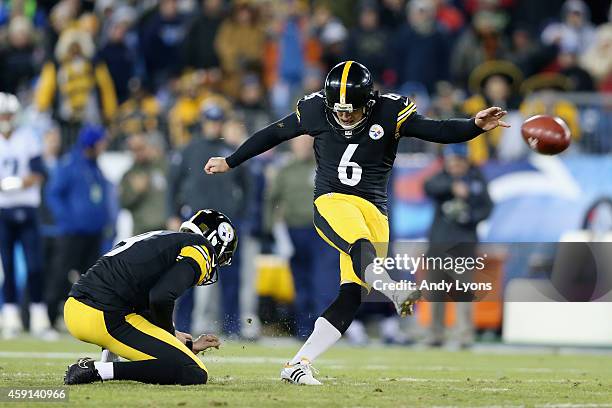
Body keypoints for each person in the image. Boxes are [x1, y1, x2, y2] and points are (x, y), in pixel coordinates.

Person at [205, 61, 509, 384]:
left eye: (352, 110)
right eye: (339, 110)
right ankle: (394, 290)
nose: (345, 116)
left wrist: (474, 126)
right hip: (332, 201)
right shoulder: (316, 110)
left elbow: (437, 130)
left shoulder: (390, 111)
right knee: (360, 248)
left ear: (369, 101)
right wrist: (231, 160)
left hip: (375, 210)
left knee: (351, 295)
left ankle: (298, 364)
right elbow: (274, 133)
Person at [63, 210, 237, 385]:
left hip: (77, 309)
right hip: (102, 315)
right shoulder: (201, 248)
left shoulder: (163, 239)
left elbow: (143, 296)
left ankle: (109, 356)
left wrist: (184, 344)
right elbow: (161, 297)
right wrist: (170, 335)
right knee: (194, 371)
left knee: (179, 358)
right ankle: (97, 370)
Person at [168, 103, 250, 336]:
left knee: (232, 277)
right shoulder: (189, 150)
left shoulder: (231, 150)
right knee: (188, 273)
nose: (213, 126)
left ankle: (232, 327)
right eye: (210, 121)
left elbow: (248, 187)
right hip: (197, 224)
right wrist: (172, 214)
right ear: (203, 123)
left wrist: (241, 216)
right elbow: (172, 185)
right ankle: (183, 326)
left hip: (225, 225)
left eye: (217, 121)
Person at [264, 135, 339, 339]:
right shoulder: (285, 170)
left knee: (324, 280)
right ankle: (304, 329)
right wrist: (273, 231)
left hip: (324, 231)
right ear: (292, 143)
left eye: (308, 140)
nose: (304, 144)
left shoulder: (326, 166)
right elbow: (271, 200)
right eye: (300, 140)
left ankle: (325, 330)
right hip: (295, 231)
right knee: (300, 281)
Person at [423, 144, 493, 348]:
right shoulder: (441, 178)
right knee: (435, 293)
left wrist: (469, 215)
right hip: (438, 244)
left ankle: (464, 336)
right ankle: (435, 335)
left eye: (459, 161)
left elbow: (487, 208)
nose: (455, 165)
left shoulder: (476, 180)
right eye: (452, 161)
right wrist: (451, 187)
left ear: (466, 161)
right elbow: (428, 187)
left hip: (464, 245)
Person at [45, 125, 113, 325]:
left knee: (93, 279)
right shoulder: (70, 164)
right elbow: (53, 194)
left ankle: (88, 321)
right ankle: (49, 318)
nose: (104, 146)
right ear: (91, 143)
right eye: (101, 142)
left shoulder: (95, 165)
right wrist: (67, 220)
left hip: (93, 233)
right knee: (60, 274)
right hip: (72, 233)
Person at [0, 93, 51, 339]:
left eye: (9, 114)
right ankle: (10, 317)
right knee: (7, 266)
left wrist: (17, 183)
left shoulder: (27, 138)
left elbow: (40, 172)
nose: (6, 119)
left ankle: (39, 318)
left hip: (27, 208)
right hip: (3, 210)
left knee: (35, 266)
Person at [119, 133, 167, 235]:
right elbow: (123, 203)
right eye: (134, 150)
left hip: (165, 228)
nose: (138, 153)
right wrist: (136, 192)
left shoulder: (163, 167)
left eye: (141, 148)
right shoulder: (129, 174)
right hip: (141, 232)